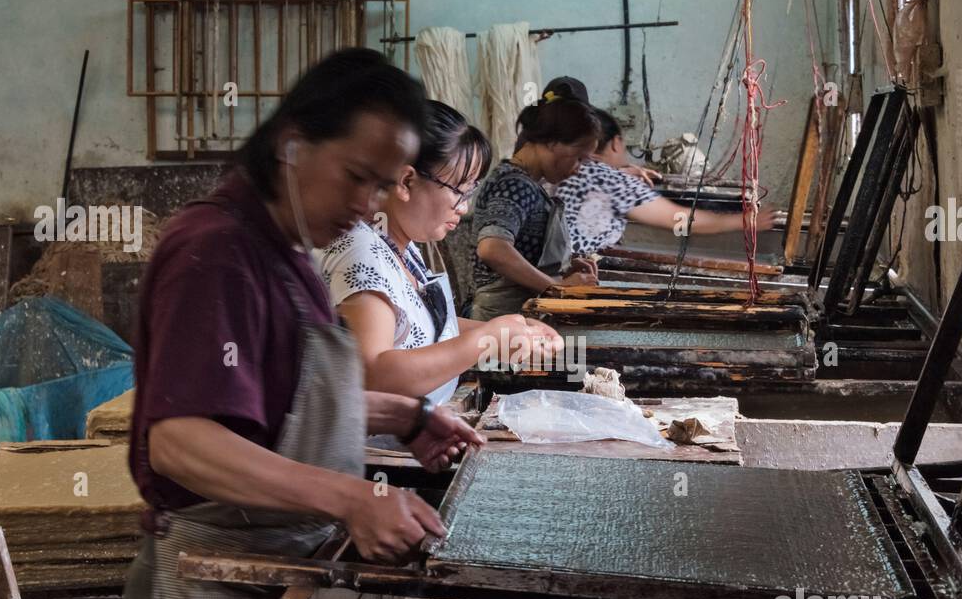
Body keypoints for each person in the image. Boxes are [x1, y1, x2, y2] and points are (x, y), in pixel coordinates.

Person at [118, 48, 484, 599]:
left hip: (269, 571)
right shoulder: (216, 251)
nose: (371, 205)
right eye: (358, 177)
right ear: (292, 142)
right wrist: (352, 496)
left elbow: (279, 407)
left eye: (385, 186)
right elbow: (182, 442)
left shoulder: (287, 251)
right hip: (207, 592)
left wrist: (402, 416)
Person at [319, 100, 563, 404]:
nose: (463, 207)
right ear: (406, 182)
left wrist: (513, 330)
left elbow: (423, 328)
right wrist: (485, 340)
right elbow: (374, 374)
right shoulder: (361, 252)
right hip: (378, 447)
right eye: (459, 191)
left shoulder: (400, 246)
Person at [557, 105, 785, 257]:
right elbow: (679, 221)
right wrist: (743, 222)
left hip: (552, 263)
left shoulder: (563, 168)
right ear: (616, 143)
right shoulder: (612, 180)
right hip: (572, 270)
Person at [467, 89, 601, 320]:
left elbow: (521, 251)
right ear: (552, 142)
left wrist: (564, 266)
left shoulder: (528, 183)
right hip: (499, 318)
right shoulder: (514, 184)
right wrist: (554, 288)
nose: (579, 168)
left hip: (517, 317)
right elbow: (492, 248)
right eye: (578, 157)